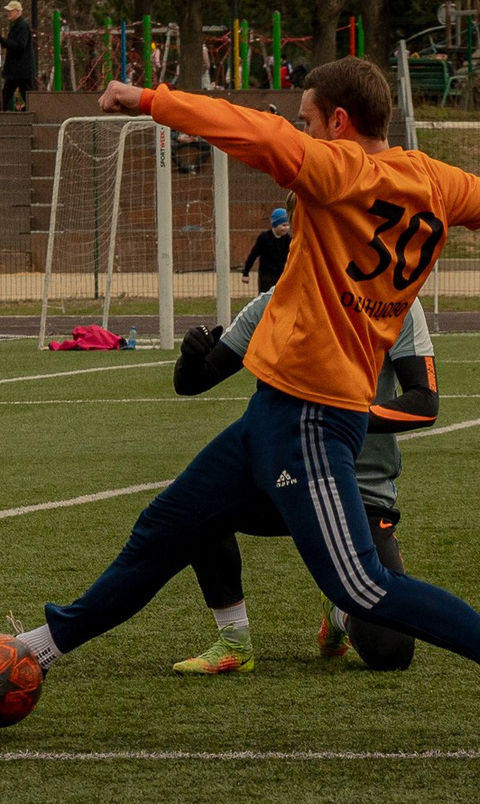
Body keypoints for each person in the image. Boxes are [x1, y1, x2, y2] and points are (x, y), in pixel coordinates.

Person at [0, 57, 480, 756]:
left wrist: (151, 101)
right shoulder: (437, 183)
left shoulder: (337, 171)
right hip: (272, 413)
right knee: (165, 528)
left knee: (359, 586)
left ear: (335, 122)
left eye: (306, 116)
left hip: (312, 420)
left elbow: (253, 133)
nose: (297, 125)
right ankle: (35, 650)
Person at [168, 283, 432, 675]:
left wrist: (336, 421)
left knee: (390, 653)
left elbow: (424, 403)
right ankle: (233, 641)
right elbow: (194, 381)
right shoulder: (276, 302)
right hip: (284, 476)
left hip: (359, 491)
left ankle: (340, 609)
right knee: (195, 502)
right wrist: (192, 357)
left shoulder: (395, 302)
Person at [240, 207, 292, 292]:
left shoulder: (287, 239)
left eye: (288, 225)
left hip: (281, 274)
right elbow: (253, 255)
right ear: (275, 224)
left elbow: (291, 256)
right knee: (266, 298)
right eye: (283, 225)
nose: (286, 228)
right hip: (266, 276)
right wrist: (246, 273)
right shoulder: (264, 238)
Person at [0, 0, 36, 111]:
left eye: (10, 11)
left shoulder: (22, 26)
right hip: (19, 69)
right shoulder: (18, 25)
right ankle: (2, 111)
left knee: (12, 92)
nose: (8, 13)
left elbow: (20, 45)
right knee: (15, 92)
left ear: (17, 12)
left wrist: (4, 41)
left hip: (20, 69)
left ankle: (1, 113)